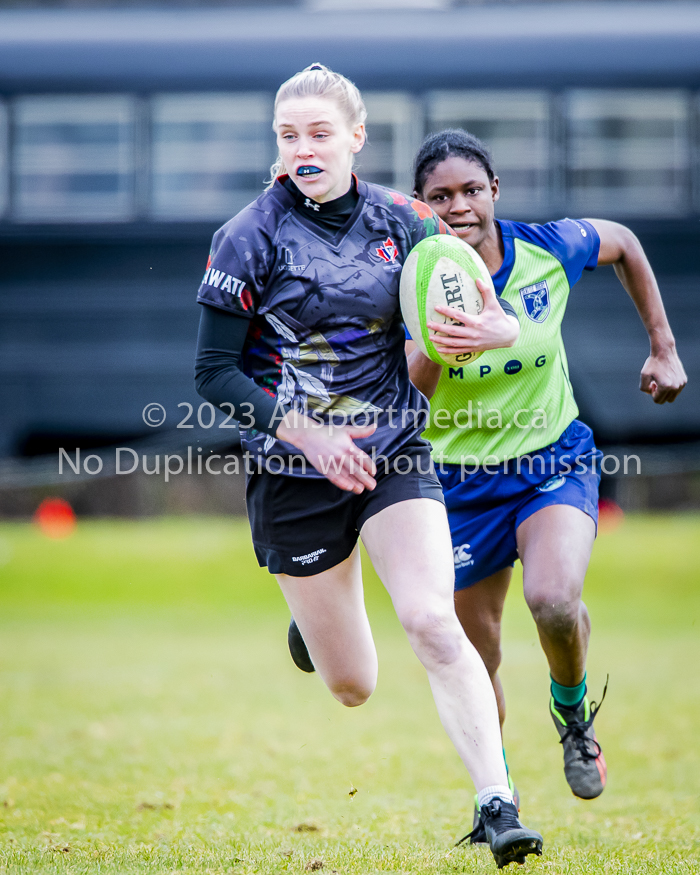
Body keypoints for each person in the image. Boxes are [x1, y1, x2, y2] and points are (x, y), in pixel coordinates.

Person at [194, 67, 543, 867]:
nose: (303, 149)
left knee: (431, 618)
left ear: (357, 138)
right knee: (354, 684)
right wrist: (310, 437)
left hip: (392, 453)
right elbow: (213, 373)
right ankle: (316, 622)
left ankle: (497, 803)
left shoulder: (408, 219)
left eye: (320, 133)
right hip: (295, 471)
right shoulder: (247, 235)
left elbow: (494, 313)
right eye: (289, 135)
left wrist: (488, 332)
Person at [405, 129, 687, 822]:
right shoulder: (412, 275)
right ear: (422, 206)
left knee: (556, 601)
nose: (460, 206)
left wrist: (664, 346)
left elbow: (621, 240)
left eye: (472, 190)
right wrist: (444, 341)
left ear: (495, 190)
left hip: (549, 463)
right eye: (441, 197)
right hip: (458, 486)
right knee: (478, 654)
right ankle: (499, 799)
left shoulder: (546, 248)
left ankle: (573, 716)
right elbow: (410, 394)